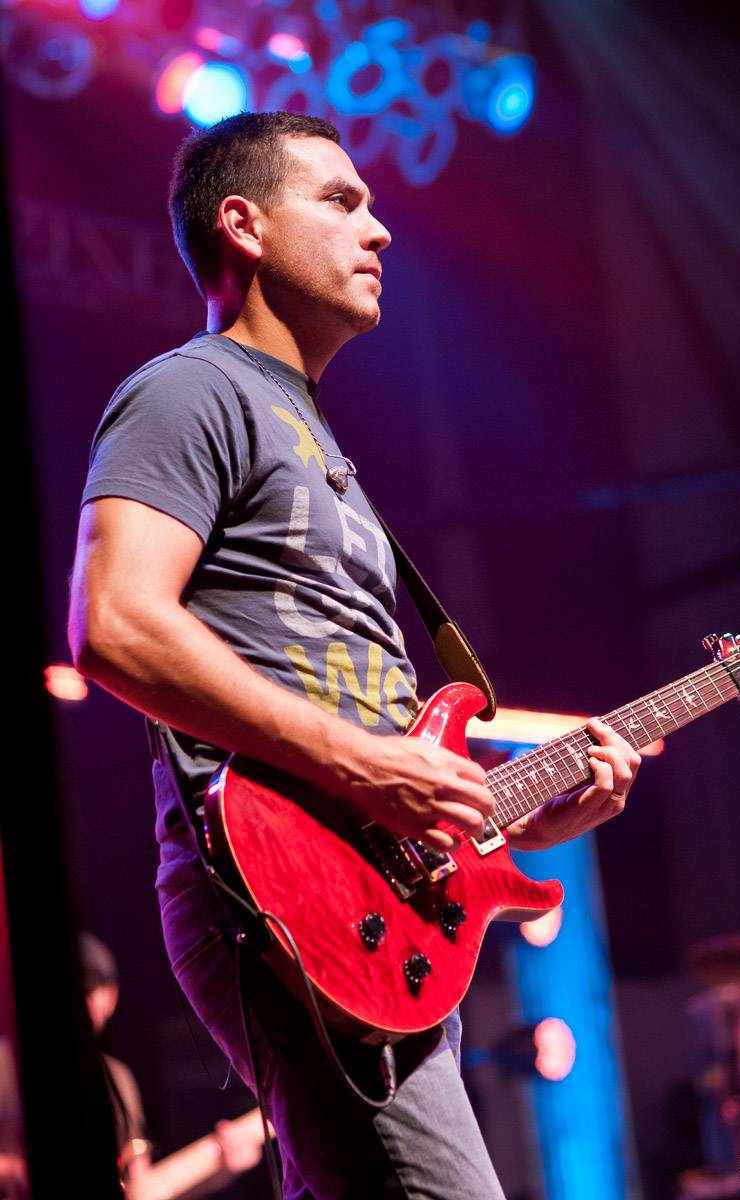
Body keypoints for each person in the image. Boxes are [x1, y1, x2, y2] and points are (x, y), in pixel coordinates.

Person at [68, 110, 641, 1199]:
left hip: (375, 913)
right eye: (341, 201)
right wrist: (365, 763)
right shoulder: (192, 390)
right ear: (241, 224)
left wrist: (508, 814)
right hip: (279, 898)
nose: (378, 230)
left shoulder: (317, 442)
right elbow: (115, 626)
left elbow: (376, 752)